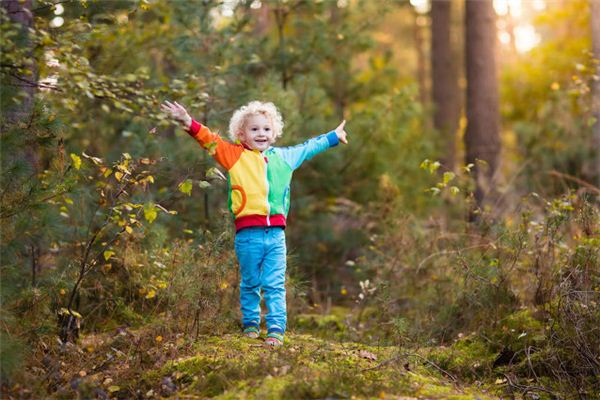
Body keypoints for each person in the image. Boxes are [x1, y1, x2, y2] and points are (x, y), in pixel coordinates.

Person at [161, 100, 348, 346]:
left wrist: (333, 136)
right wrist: (188, 122)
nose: (261, 134)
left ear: (274, 133)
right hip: (248, 235)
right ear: (242, 134)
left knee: (274, 284)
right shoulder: (234, 156)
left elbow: (308, 147)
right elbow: (210, 140)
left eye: (266, 129)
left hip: (276, 235)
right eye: (254, 129)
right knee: (250, 282)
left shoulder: (284, 157)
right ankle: (250, 325)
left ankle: (276, 330)